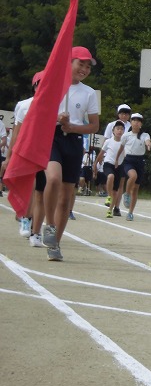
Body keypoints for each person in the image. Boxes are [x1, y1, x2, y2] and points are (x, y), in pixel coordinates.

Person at [42, 46, 100, 261]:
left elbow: (94, 126)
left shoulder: (89, 93)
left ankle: (55, 243)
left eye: (88, 66)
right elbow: (39, 114)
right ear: (69, 62)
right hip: (52, 137)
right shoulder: (52, 84)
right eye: (80, 64)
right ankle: (49, 224)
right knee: (53, 178)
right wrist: (58, 119)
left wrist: (73, 127)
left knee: (66, 197)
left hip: (74, 141)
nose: (84, 69)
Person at [1, 71, 47, 246]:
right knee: (30, 186)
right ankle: (25, 217)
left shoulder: (55, 105)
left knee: (42, 191)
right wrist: (9, 157)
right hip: (26, 152)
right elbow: (16, 133)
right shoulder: (24, 105)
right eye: (39, 83)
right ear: (34, 86)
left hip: (45, 152)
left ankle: (36, 230)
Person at [115, 113, 151, 221]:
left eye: (138, 121)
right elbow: (121, 148)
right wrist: (117, 159)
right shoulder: (126, 135)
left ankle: (130, 212)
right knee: (133, 176)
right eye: (134, 120)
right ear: (131, 122)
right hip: (129, 160)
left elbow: (148, 141)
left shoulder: (145, 135)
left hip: (140, 161)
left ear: (141, 124)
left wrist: (148, 145)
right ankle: (126, 193)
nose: (136, 123)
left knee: (135, 189)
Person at [103, 104, 131, 215]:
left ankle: (117, 207)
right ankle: (110, 198)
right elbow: (105, 139)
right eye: (122, 113)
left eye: (127, 114)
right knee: (111, 179)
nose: (124, 116)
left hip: (124, 158)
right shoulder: (111, 125)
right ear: (118, 114)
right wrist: (103, 155)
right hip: (111, 158)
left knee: (120, 183)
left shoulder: (130, 126)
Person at [93, 120, 126, 218]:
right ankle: (108, 195)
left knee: (116, 191)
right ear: (113, 131)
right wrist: (95, 164)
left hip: (119, 166)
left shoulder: (125, 143)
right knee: (110, 176)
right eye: (118, 129)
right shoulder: (108, 141)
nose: (119, 131)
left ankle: (110, 210)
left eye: (122, 129)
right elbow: (101, 153)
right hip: (108, 164)